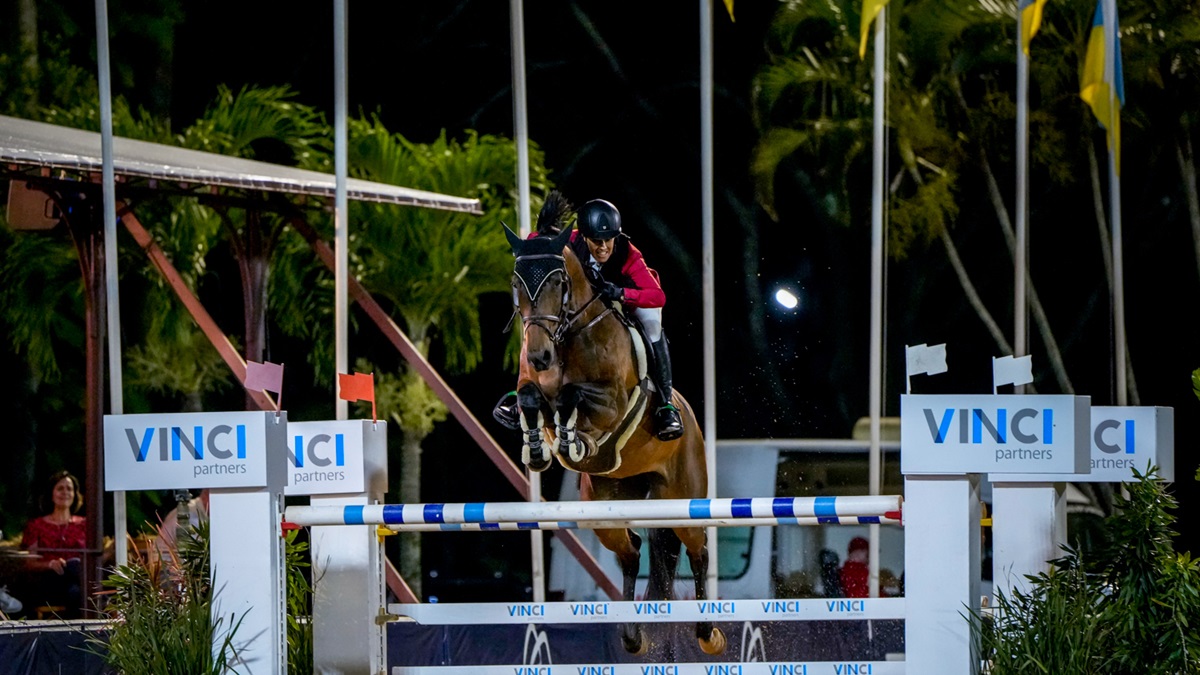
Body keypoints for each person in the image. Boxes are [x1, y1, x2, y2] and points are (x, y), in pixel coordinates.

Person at [494, 197, 684, 441]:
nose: (603, 247)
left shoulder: (628, 254)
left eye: (609, 239)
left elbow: (658, 296)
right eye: (596, 240)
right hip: (585, 303)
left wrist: (622, 293)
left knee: (653, 324)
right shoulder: (570, 243)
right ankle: (521, 393)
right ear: (583, 236)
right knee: (540, 321)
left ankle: (665, 404)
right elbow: (536, 244)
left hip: (627, 297)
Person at [21, 470, 87, 617]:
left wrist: (113, 549)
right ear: (51, 494)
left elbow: (94, 559)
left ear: (75, 494)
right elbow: (29, 563)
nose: (65, 492)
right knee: (75, 566)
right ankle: (108, 606)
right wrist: (50, 564)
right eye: (60, 488)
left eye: (69, 489)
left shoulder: (85, 524)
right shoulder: (36, 525)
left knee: (76, 590)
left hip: (77, 584)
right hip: (49, 580)